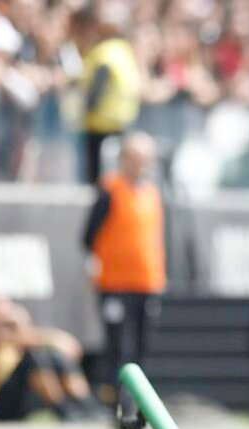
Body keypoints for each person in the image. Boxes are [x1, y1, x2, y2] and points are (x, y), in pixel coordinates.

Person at [82, 133, 164, 407]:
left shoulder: (152, 192)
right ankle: (118, 404)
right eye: (136, 157)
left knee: (143, 348)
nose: (142, 164)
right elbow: (88, 235)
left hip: (147, 282)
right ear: (123, 159)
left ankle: (142, 406)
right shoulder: (110, 189)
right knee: (118, 347)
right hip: (115, 283)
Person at [70, 4, 141, 185]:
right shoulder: (125, 50)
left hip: (99, 124)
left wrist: (85, 109)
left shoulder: (104, 52)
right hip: (122, 122)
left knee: (96, 178)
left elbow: (98, 87)